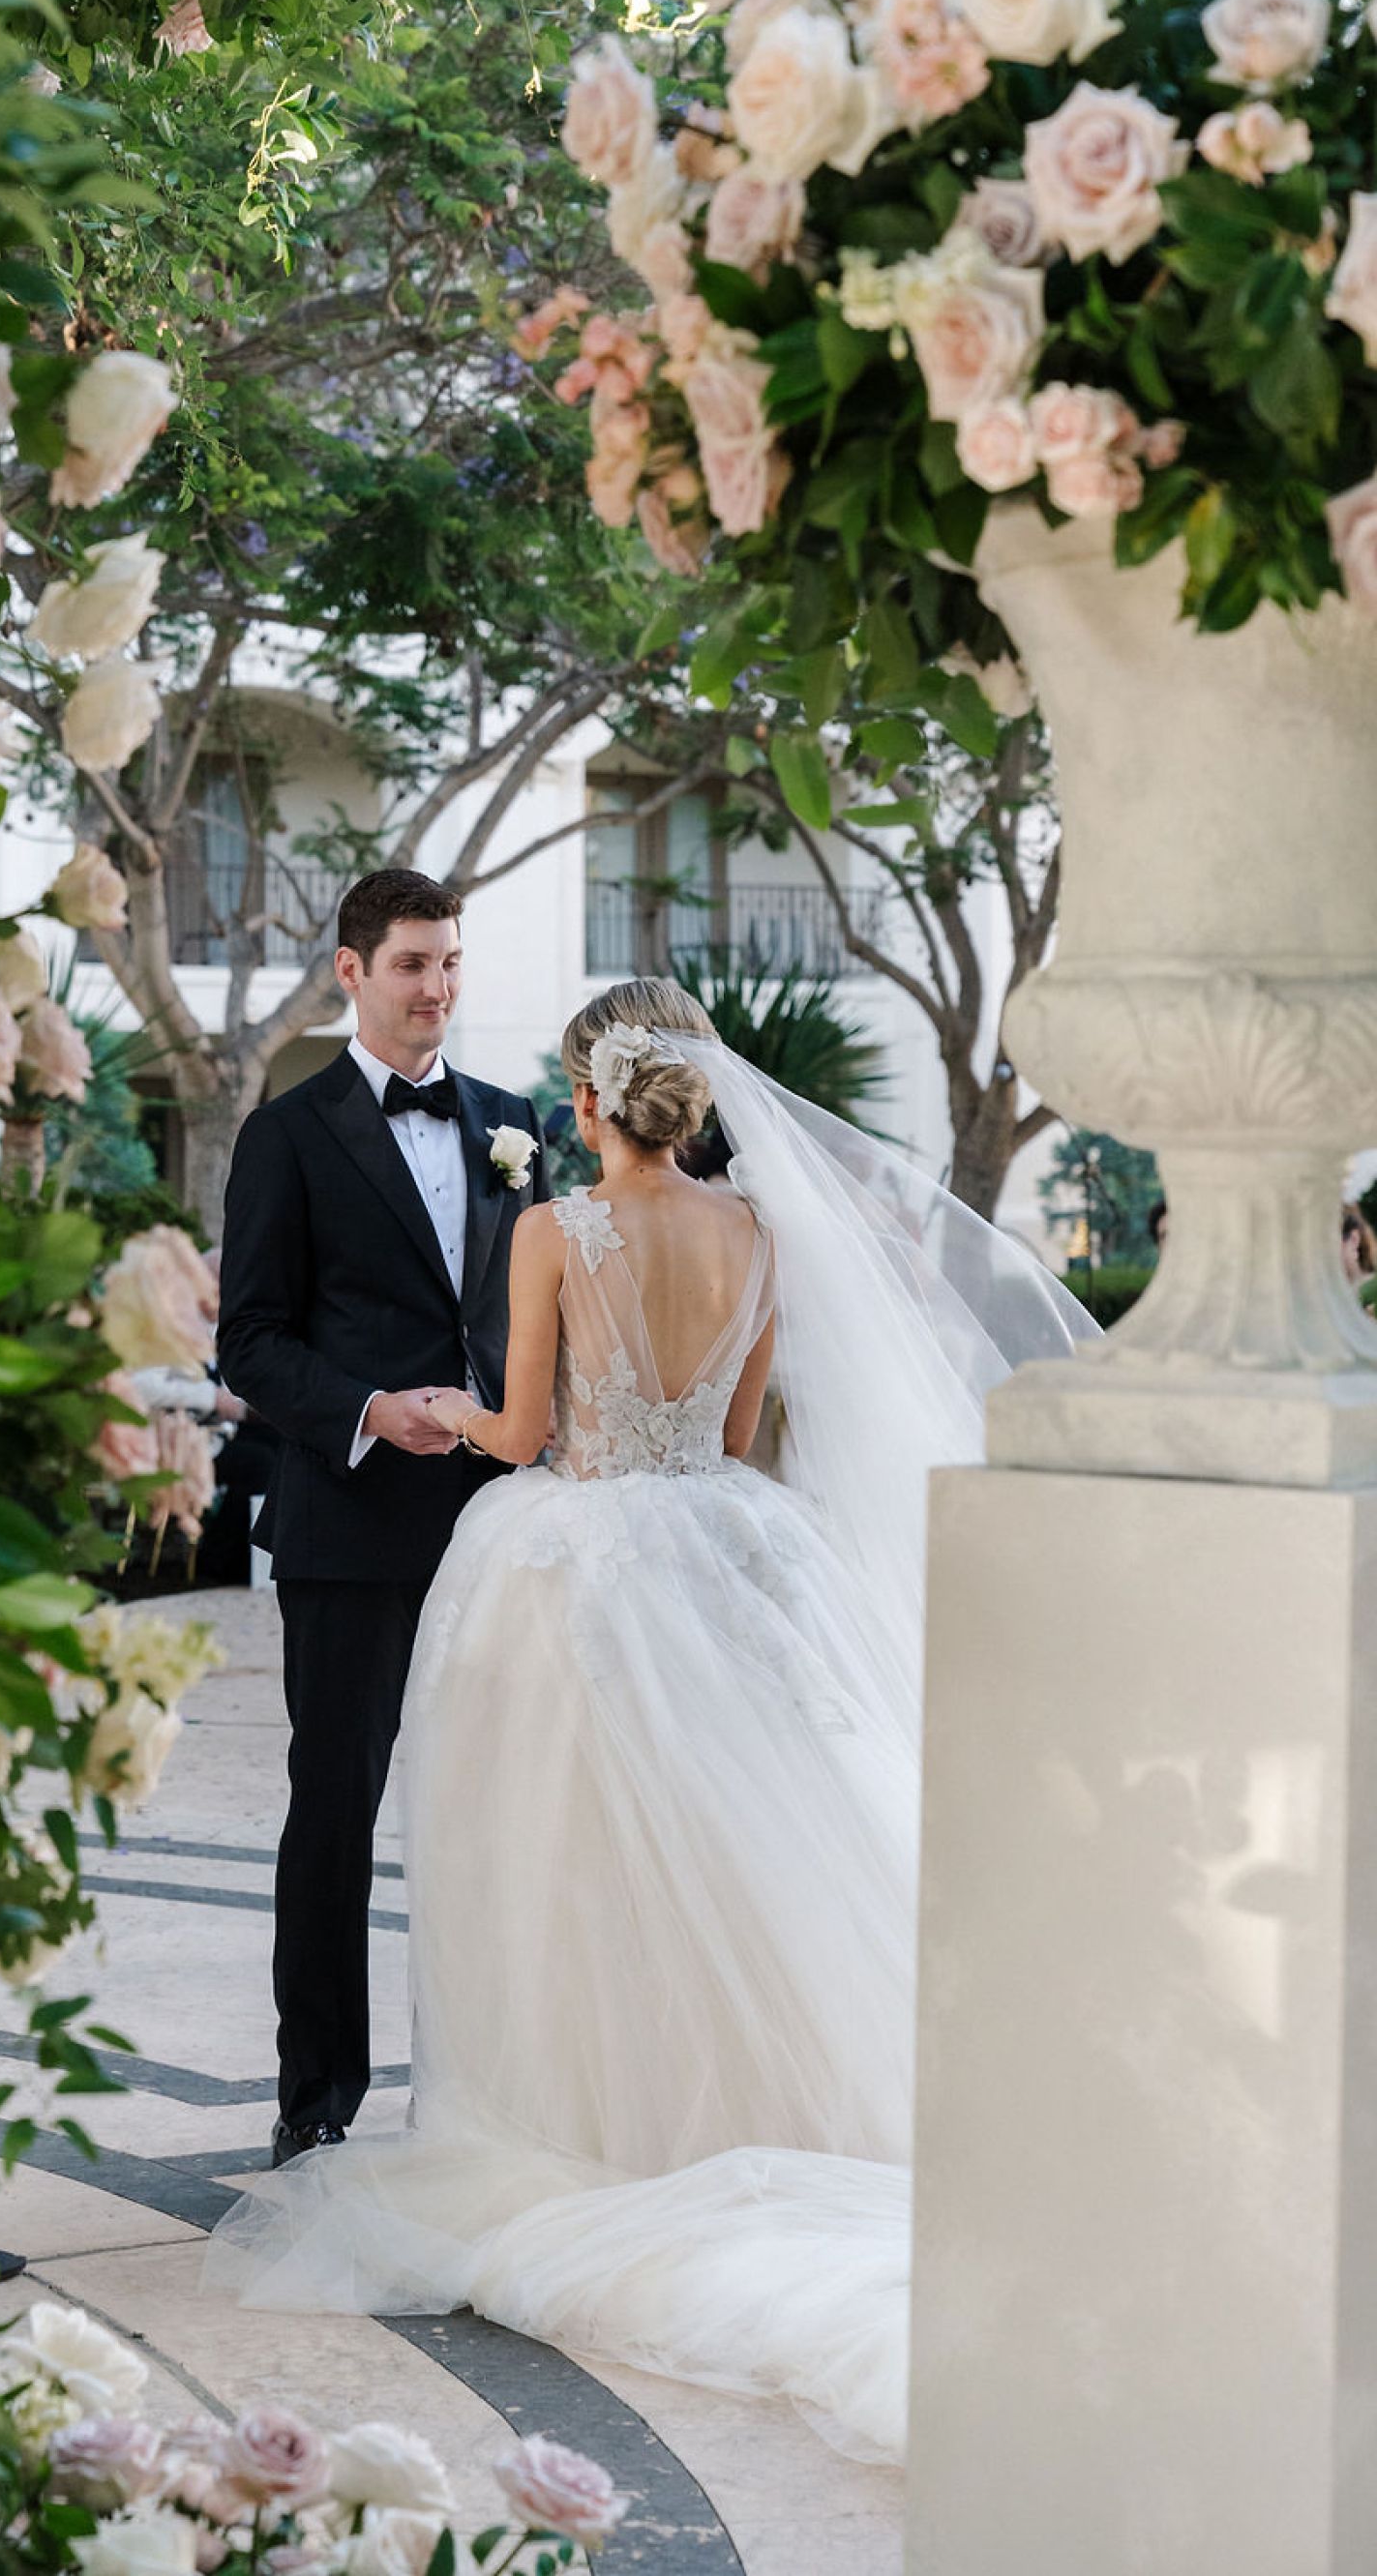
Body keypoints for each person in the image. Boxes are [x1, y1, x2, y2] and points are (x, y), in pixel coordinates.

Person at [207, 976, 1091, 2461]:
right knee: (747, 1846)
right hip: (735, 1547)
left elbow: (532, 1428)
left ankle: (607, 2135)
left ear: (587, 1096)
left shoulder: (556, 1231)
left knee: (582, 1868)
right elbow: (739, 1430)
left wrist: (439, 1415)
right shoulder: (759, 1231)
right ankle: (755, 2117)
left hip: (583, 1562)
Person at [216, 868, 548, 2170]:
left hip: (503, 1526)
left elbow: (533, 1323)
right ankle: (317, 2101)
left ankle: (501, 2092)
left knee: (506, 1810)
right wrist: (367, 1407)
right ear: (352, 972)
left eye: (451, 961)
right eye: (413, 963)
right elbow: (249, 1342)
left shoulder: (516, 1125)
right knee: (336, 1808)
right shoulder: (285, 1136)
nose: (438, 988)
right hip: (351, 1525)